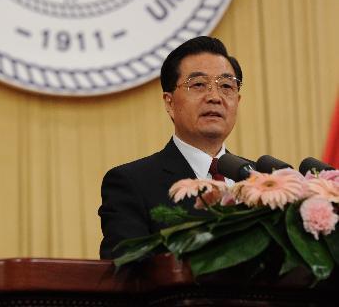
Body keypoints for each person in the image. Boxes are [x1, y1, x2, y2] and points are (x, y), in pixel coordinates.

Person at [98, 36, 245, 259]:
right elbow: (126, 273)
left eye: (226, 86)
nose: (215, 97)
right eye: (198, 85)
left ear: (238, 100)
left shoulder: (263, 180)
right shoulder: (132, 183)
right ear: (169, 103)